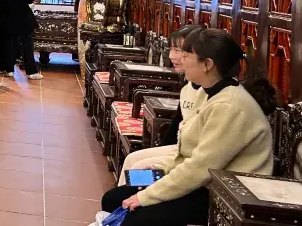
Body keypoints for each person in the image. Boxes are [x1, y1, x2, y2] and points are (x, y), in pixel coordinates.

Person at [100, 28, 276, 226]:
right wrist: (162, 168)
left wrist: (147, 197)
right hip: (203, 181)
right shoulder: (207, 92)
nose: (180, 61)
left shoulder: (230, 106)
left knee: (134, 218)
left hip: (223, 194)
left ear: (207, 64)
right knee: (113, 199)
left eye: (186, 56)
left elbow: (201, 168)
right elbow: (189, 153)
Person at [115, 25, 203, 186]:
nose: (172, 56)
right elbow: (177, 125)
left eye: (180, 52)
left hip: (194, 160)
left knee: (139, 168)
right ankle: (124, 198)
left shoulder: (218, 96)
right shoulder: (188, 87)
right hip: (179, 150)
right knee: (132, 161)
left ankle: (133, 196)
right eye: (172, 50)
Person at [0, 0, 41, 80]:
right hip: (23, 22)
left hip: (8, 23)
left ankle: (9, 70)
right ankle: (31, 72)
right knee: (27, 47)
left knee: (9, 46)